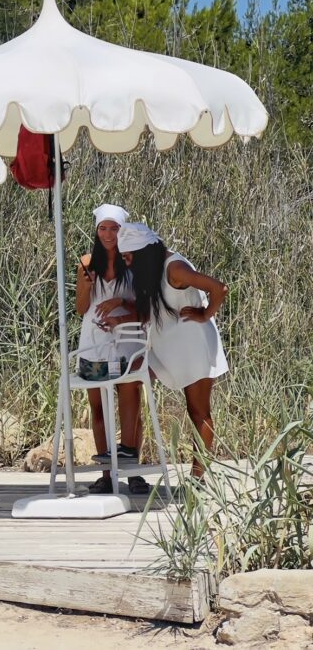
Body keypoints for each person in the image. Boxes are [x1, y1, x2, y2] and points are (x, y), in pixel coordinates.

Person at [116, 223, 228, 478]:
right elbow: (153, 309)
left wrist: (205, 313)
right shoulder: (151, 271)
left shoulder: (174, 268)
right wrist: (120, 313)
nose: (127, 262)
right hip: (165, 348)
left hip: (194, 348)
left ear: (143, 251)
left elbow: (219, 288)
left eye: (128, 257)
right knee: (129, 380)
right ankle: (129, 456)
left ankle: (197, 477)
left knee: (197, 410)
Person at [75, 204, 149, 495]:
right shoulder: (86, 261)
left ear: (123, 230)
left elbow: (146, 307)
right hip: (94, 342)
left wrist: (119, 303)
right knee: (98, 407)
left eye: (114, 228)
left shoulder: (134, 261)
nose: (108, 234)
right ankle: (106, 475)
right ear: (96, 230)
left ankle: (132, 471)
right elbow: (81, 308)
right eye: (103, 228)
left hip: (129, 341)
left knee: (131, 401)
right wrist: (84, 286)